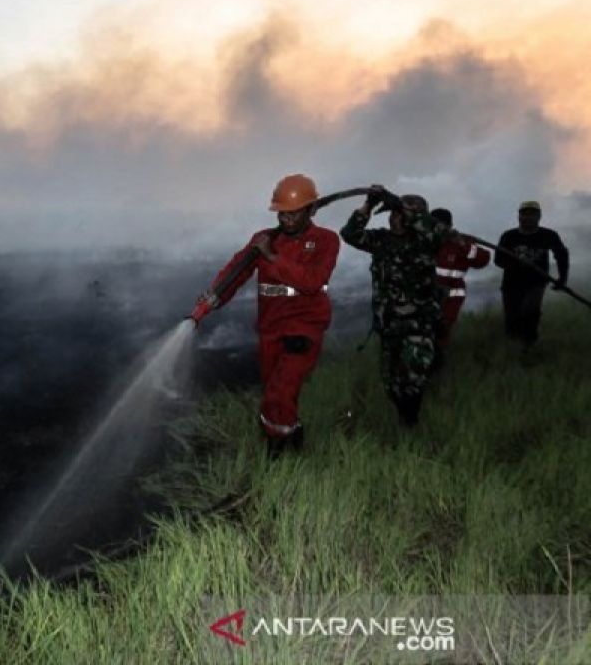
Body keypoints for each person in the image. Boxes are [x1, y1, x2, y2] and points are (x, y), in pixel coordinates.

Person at [195, 174, 340, 457]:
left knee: (281, 390)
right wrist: (213, 298)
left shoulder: (326, 241)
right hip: (271, 326)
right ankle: (291, 429)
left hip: (305, 325)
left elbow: (312, 280)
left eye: (293, 213)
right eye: (281, 213)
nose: (285, 219)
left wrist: (273, 258)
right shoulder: (263, 240)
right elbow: (236, 271)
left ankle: (278, 451)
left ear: (311, 210)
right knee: (273, 387)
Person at [341, 187, 453, 427]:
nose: (395, 218)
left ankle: (410, 423)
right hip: (389, 324)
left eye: (401, 214)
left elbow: (440, 233)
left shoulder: (426, 241)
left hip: (419, 325)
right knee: (391, 381)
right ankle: (404, 416)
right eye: (393, 213)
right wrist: (369, 205)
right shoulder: (381, 240)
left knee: (412, 377)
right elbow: (350, 234)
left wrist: (405, 208)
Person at [494, 201, 570, 348]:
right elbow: (498, 260)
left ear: (539, 216)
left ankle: (529, 344)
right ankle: (512, 346)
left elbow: (561, 255)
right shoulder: (509, 236)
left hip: (536, 282)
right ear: (518, 217)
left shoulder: (548, 235)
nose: (528, 217)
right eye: (524, 214)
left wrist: (562, 278)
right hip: (511, 283)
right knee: (512, 317)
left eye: (532, 214)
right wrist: (517, 264)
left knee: (531, 310)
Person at [431, 208, 490, 359]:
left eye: (442, 225)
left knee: (442, 330)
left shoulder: (460, 243)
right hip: (425, 295)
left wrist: (462, 244)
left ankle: (438, 362)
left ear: (450, 225)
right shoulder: (423, 241)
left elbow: (482, 260)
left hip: (451, 297)